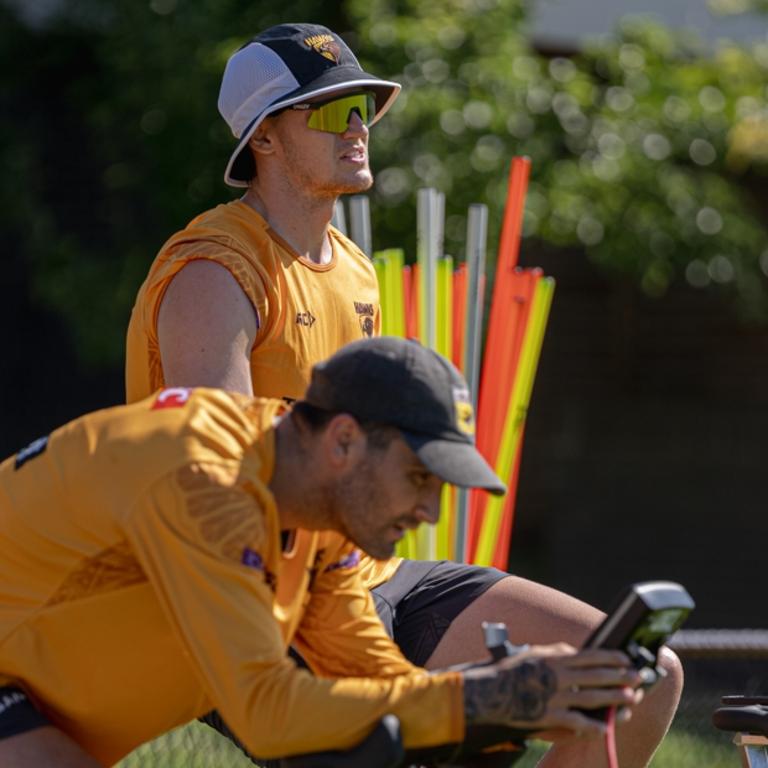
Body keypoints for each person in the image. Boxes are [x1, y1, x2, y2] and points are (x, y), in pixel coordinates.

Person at [121, 21, 683, 767]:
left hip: (361, 576)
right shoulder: (213, 273)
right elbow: (220, 488)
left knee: (638, 677)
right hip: (252, 598)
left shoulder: (353, 269)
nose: (356, 128)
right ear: (263, 138)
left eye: (363, 108)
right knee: (437, 742)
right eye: (328, 111)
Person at [0, 338, 644, 767]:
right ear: (343, 441)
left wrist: (494, 714)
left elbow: (371, 676)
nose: (432, 512)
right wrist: (477, 700)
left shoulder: (320, 511)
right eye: (421, 478)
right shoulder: (206, 484)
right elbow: (266, 713)